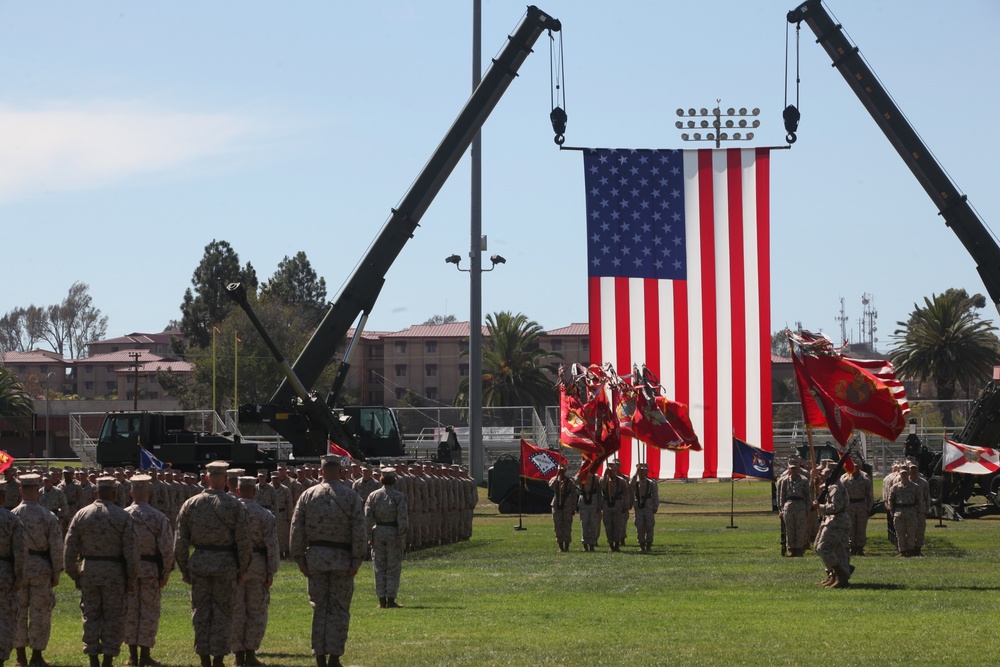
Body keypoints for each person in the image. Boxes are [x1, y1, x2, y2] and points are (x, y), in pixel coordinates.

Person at [290, 455, 366, 667]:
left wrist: (300, 560)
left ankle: (320, 656)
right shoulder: (350, 496)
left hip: (315, 559)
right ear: (339, 471)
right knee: (339, 609)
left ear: (321, 471)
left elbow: (296, 530)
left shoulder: (307, 495)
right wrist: (356, 560)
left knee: (319, 607)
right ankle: (334, 656)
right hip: (342, 560)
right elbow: (359, 531)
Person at [174, 461, 252, 667]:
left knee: (200, 612)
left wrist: (184, 569)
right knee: (224, 613)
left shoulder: (191, 504)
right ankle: (218, 658)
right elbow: (244, 542)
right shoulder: (234, 504)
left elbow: (180, 542)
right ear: (226, 480)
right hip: (225, 565)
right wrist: (243, 569)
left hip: (199, 563)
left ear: (207, 478)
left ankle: (204, 658)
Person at [64, 476, 139, 667]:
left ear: (96, 493)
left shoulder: (81, 514)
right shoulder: (123, 516)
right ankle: (108, 658)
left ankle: (93, 658)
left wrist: (74, 574)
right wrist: (131, 579)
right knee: (114, 616)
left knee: (91, 614)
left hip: (89, 570)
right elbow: (131, 552)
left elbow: (69, 549)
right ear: (114, 494)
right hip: (115, 573)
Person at [11, 474, 63, 667]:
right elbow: (56, 547)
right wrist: (57, 572)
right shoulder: (47, 516)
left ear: (20, 491)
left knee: (18, 613)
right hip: (41, 569)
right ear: (38, 492)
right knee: (40, 613)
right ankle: (37, 656)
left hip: (18, 569)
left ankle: (20, 657)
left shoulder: (12, 516)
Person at [123, 474, 174, 667]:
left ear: (130, 493)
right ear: (150, 493)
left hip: (129, 570)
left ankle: (132, 655)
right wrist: (166, 571)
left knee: (130, 611)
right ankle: (144, 654)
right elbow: (167, 548)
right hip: (151, 569)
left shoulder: (122, 515)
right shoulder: (159, 517)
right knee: (149, 612)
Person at [232, 476, 279, 667]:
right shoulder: (264, 515)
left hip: (234, 565)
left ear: (237, 491)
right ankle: (250, 654)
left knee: (236, 610)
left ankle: (237, 655)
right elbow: (272, 545)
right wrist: (271, 571)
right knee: (256, 610)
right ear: (255, 492)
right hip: (257, 565)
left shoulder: (229, 513)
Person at [364, 467, 409, 609]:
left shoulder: (373, 496)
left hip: (378, 532)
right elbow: (403, 519)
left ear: (381, 479)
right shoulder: (398, 496)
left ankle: (382, 600)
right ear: (394, 480)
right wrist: (401, 536)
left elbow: (367, 518)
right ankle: (391, 599)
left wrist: (369, 535)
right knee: (393, 567)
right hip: (393, 532)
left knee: (379, 566)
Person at [812, 462, 852, 588]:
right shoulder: (831, 486)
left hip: (837, 521)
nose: (823, 475)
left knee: (823, 548)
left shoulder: (836, 487)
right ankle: (833, 574)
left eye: (825, 473)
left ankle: (841, 574)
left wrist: (820, 507)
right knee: (826, 548)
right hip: (831, 520)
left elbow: (836, 507)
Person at [0, 482, 26, 667]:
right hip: (4, 574)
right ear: (3, 498)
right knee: (5, 619)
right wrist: (19, 577)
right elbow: (20, 553)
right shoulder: (11, 520)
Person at [841, 459, 874, 556]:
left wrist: (869, 508)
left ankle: (860, 548)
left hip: (861, 505)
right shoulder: (845, 479)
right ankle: (852, 547)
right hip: (849, 505)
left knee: (861, 528)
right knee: (850, 528)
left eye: (856, 466)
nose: (855, 468)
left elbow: (869, 495)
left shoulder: (865, 479)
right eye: (853, 466)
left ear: (860, 467)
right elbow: (841, 494)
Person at [777, 462, 810, 557]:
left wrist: (808, 508)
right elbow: (781, 496)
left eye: (795, 468)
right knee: (790, 529)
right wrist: (781, 509)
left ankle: (799, 549)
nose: (794, 470)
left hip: (800, 505)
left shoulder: (804, 480)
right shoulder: (785, 481)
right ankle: (791, 549)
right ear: (789, 469)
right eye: (792, 468)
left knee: (800, 528)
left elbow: (807, 496)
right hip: (789, 506)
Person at [887, 467, 918, 557]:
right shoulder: (895, 487)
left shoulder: (915, 487)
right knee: (900, 533)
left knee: (911, 533)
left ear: (908, 474)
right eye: (902, 473)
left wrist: (919, 511)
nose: (904, 475)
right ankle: (902, 551)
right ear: (899, 474)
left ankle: (910, 550)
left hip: (911, 511)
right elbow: (891, 500)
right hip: (899, 512)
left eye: (905, 473)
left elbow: (919, 500)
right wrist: (892, 512)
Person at [630, 464, 659, 552]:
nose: (642, 472)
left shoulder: (651, 482)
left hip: (648, 506)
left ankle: (649, 544)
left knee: (649, 525)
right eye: (641, 471)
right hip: (639, 506)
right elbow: (630, 484)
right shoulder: (636, 481)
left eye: (644, 470)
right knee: (639, 526)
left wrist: (655, 506)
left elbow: (655, 495)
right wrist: (636, 473)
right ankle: (642, 544)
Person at [600, 461, 628, 552]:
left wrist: (625, 506)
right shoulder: (604, 480)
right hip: (607, 505)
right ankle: (611, 544)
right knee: (608, 525)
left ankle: (617, 544)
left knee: (617, 525)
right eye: (610, 470)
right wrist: (605, 474)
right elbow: (602, 487)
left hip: (617, 504)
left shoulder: (621, 481)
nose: (611, 472)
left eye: (613, 470)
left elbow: (626, 494)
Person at [548, 464, 577, 553]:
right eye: (560, 470)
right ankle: (560, 546)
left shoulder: (570, 481)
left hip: (567, 504)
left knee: (567, 525)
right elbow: (551, 486)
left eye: (562, 470)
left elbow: (574, 494)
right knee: (558, 525)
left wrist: (573, 508)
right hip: (557, 504)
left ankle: (567, 545)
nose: (561, 472)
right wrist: (557, 476)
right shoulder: (554, 479)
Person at [577, 469, 602, 552]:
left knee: (593, 524)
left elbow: (599, 491)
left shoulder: (596, 477)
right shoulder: (580, 476)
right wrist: (581, 474)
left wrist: (599, 505)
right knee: (584, 524)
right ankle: (585, 544)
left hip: (593, 500)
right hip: (583, 500)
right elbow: (576, 482)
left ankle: (592, 544)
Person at [909, 463, 930, 556]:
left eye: (915, 469)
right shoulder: (904, 481)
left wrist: (927, 509)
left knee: (920, 530)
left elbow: (927, 497)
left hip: (920, 510)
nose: (913, 471)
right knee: (909, 530)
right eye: (911, 469)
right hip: (908, 510)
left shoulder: (923, 482)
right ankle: (909, 549)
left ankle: (918, 549)